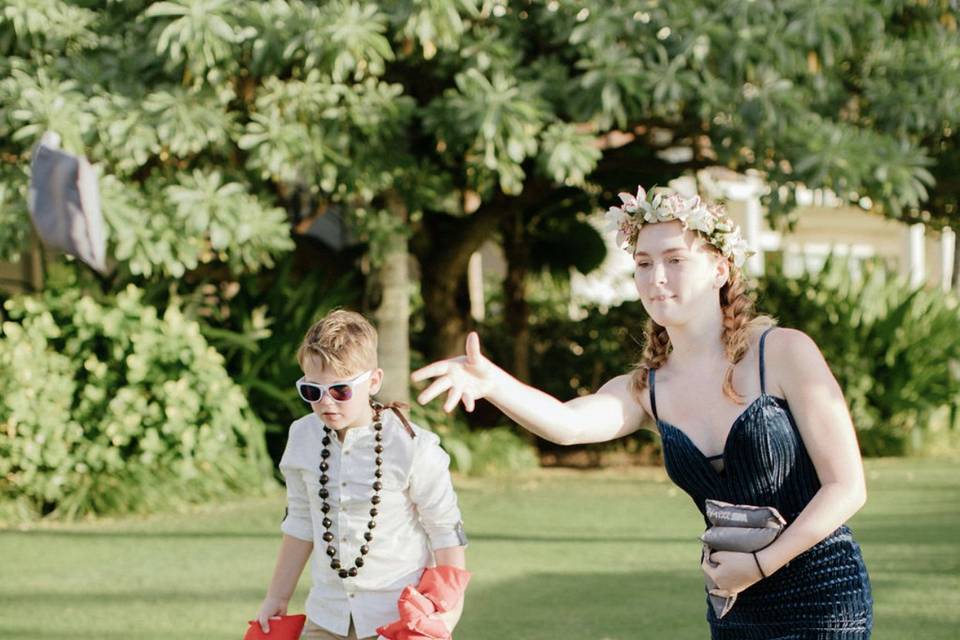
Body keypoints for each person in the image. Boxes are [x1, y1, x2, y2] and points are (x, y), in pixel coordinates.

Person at [412, 186, 873, 638]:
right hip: (735, 601)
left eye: (675, 260)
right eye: (644, 264)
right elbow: (568, 424)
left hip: (823, 596)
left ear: (719, 269)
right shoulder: (646, 389)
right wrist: (494, 384)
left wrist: (759, 564)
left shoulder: (783, 352)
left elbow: (846, 487)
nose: (657, 278)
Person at [256, 310, 469, 640]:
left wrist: (443, 617)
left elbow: (445, 532)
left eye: (340, 390)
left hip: (397, 618)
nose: (326, 402)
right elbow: (300, 520)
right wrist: (276, 597)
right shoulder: (302, 436)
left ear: (373, 381)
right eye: (312, 391)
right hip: (326, 615)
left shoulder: (415, 447)